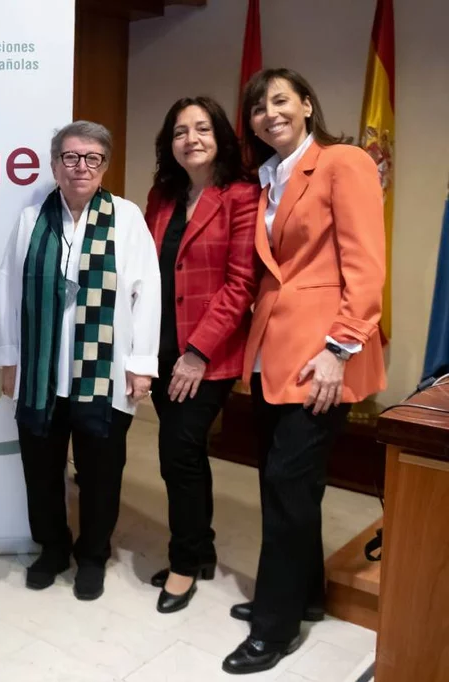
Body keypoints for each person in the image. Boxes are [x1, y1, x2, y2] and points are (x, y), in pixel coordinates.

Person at [222, 68, 386, 675]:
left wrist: (338, 348)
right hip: (274, 354)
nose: (270, 114)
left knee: (288, 490)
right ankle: (305, 594)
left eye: (281, 100)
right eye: (259, 108)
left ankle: (275, 626)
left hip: (322, 357)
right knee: (286, 487)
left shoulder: (343, 162)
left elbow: (365, 266)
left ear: (308, 105)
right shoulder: (268, 178)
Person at [0, 121, 161, 602]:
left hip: (104, 375)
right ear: (54, 165)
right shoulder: (32, 221)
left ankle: (92, 555)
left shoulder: (126, 219)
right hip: (42, 373)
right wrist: (9, 358)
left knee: (101, 473)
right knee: (41, 471)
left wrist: (141, 364)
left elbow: (146, 293)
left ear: (104, 165)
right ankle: (51, 549)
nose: (80, 167)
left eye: (91, 158)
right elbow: (8, 290)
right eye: (70, 157)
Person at [144, 97, 259, 614]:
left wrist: (195, 355)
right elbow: (146, 272)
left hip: (206, 355)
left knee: (178, 452)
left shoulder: (240, 196)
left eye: (202, 128)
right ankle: (204, 548)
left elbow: (240, 286)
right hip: (162, 348)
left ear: (221, 137)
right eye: (180, 131)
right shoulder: (162, 196)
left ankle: (185, 563)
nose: (191, 138)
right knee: (184, 457)